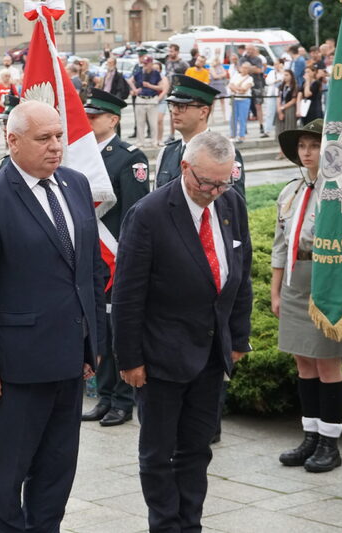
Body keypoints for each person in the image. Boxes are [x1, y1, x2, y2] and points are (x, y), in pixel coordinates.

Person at [0, 100, 105, 532]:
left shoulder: (75, 184)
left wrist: (93, 343)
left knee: (56, 474)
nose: (56, 146)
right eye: (44, 138)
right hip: (14, 370)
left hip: (68, 362)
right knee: (6, 479)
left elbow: (91, 271)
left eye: (59, 136)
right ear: (13, 141)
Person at [113, 130, 253, 532]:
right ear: (185, 167)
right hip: (160, 357)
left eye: (222, 183)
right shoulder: (149, 214)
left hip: (210, 356)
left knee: (196, 450)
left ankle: (190, 524)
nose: (213, 192)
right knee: (158, 454)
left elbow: (241, 276)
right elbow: (128, 294)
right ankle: (165, 525)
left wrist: (237, 338)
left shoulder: (231, 203)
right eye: (205, 182)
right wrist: (130, 359)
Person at [273, 120, 342, 473]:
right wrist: (276, 290)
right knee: (302, 360)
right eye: (302, 146)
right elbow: (280, 245)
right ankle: (310, 435)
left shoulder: (339, 192)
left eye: (314, 145)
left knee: (326, 362)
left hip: (326, 280)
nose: (307, 152)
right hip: (295, 281)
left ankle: (330, 443)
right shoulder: (290, 191)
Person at [82, 89, 148, 427]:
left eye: (95, 116)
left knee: (117, 329)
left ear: (113, 120)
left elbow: (135, 213)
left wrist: (129, 259)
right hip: (91, 255)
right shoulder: (80, 155)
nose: (89, 121)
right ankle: (105, 395)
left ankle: (123, 400)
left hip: (117, 256)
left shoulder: (129, 158)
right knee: (99, 330)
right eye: (87, 116)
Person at [155, 75, 247, 199]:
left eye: (181, 106)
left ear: (203, 112)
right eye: (172, 105)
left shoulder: (224, 152)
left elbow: (233, 203)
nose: (174, 111)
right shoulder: (167, 152)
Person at [129, 55, 162, 148]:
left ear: (151, 63)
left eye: (147, 64)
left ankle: (154, 141)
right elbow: (130, 80)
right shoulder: (139, 72)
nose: (145, 65)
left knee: (153, 122)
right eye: (144, 63)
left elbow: (161, 87)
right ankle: (140, 142)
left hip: (152, 98)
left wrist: (150, 86)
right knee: (140, 122)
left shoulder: (156, 73)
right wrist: (135, 90)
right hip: (141, 98)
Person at [164, 44, 190, 142]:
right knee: (172, 113)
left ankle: (187, 134)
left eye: (172, 51)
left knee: (184, 114)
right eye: (169, 51)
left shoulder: (183, 63)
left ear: (177, 52)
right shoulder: (167, 61)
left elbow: (188, 77)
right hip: (170, 92)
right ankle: (172, 135)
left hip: (180, 92)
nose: (170, 53)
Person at [0, 69, 18, 153]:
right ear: (2, 77)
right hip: (0, 110)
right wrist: (3, 105)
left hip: (9, 111)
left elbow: (16, 96)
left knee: (8, 130)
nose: (7, 78)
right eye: (5, 76)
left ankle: (8, 148)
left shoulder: (12, 86)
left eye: (8, 76)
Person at [228, 63, 253, 143]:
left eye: (246, 68)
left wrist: (235, 88)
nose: (244, 69)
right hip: (235, 99)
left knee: (242, 118)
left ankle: (242, 135)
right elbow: (230, 85)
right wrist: (238, 89)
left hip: (244, 100)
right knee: (233, 118)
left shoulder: (250, 78)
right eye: (243, 67)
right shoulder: (236, 75)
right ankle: (233, 134)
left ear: (249, 70)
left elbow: (244, 90)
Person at [276, 70, 298, 158]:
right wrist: (279, 109)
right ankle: (281, 151)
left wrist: (283, 107)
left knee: (289, 129)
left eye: (287, 75)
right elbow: (278, 98)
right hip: (281, 108)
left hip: (289, 109)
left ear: (291, 76)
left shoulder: (294, 87)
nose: (285, 77)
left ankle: (290, 152)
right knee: (280, 131)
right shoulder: (281, 86)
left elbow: (294, 100)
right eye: (284, 75)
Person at [263, 59, 283, 139]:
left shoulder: (284, 72)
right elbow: (267, 81)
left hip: (280, 95)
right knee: (269, 113)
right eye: (275, 64)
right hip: (271, 95)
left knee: (280, 113)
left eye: (277, 64)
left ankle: (280, 130)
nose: (276, 66)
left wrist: (281, 71)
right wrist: (276, 80)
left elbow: (284, 80)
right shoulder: (271, 72)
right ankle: (267, 131)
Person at [209, 56, 229, 124]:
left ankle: (224, 117)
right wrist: (221, 75)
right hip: (214, 86)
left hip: (221, 85)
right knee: (213, 102)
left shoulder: (221, 67)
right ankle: (211, 117)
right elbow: (215, 76)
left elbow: (225, 74)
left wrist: (219, 76)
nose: (217, 62)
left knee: (222, 102)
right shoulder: (211, 68)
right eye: (215, 60)